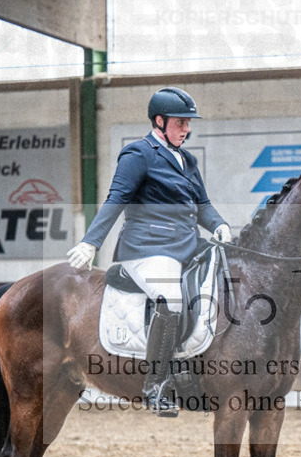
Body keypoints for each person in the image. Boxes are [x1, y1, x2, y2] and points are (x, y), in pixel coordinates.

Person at [67, 87, 231, 415]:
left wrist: (218, 225)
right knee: (170, 299)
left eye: (188, 123)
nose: (187, 128)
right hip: (147, 248)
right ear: (160, 121)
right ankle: (155, 385)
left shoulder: (187, 160)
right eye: (181, 122)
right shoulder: (138, 154)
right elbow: (117, 199)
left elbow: (202, 205)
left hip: (186, 246)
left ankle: (192, 368)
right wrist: (91, 242)